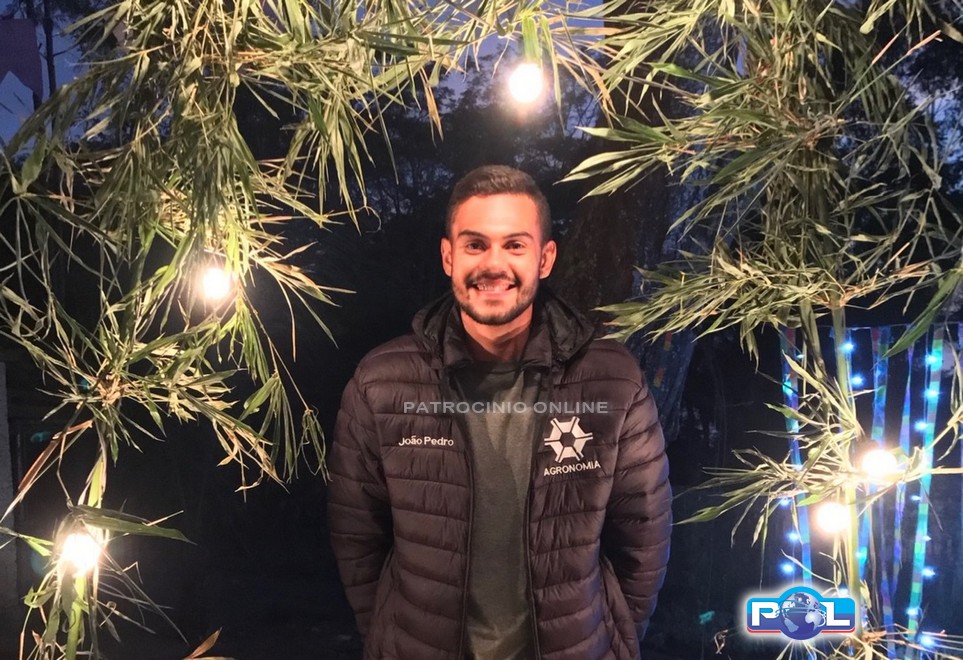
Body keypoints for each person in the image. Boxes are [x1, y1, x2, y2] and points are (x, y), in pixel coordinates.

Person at [327, 165, 671, 660]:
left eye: (514, 245)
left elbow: (643, 540)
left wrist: (608, 638)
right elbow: (357, 538)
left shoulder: (613, 382)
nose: (494, 264)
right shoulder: (381, 383)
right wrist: (392, 633)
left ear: (544, 259)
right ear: (448, 256)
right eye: (475, 245)